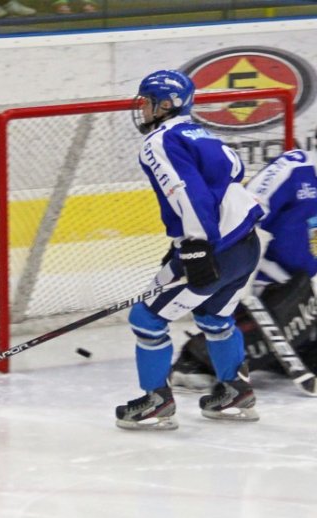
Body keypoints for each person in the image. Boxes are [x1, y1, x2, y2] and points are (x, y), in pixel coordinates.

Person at [115, 70, 264, 431]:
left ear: (166, 105)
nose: (144, 109)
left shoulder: (159, 141)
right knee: (215, 318)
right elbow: (234, 170)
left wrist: (195, 245)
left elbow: (186, 192)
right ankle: (235, 390)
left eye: (149, 102)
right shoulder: (204, 134)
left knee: (147, 320)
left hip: (213, 246)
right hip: (245, 246)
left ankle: (155, 401)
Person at [171, 148, 317, 390]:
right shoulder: (292, 169)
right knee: (245, 333)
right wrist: (241, 275)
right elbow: (242, 213)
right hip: (270, 283)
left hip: (305, 290)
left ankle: (281, 352)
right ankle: (195, 358)